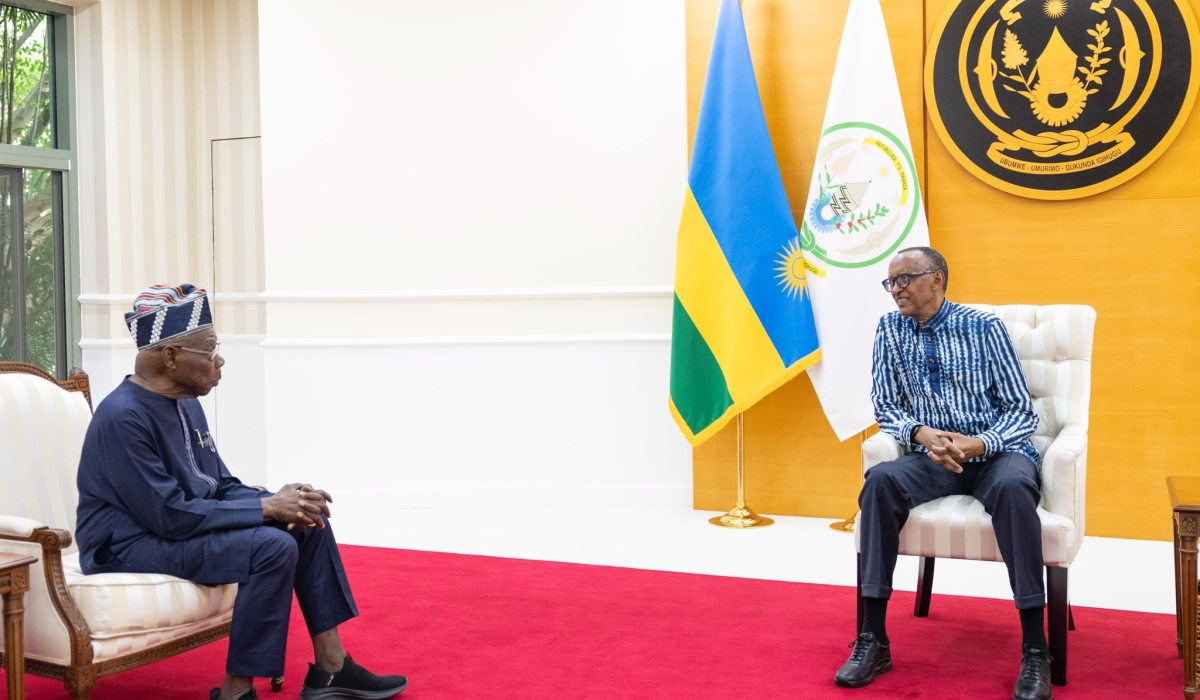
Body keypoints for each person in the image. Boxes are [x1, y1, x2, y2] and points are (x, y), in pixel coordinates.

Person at [75, 284, 408, 700]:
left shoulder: (184, 401)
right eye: (210, 350)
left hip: (169, 528)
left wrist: (285, 502)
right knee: (272, 546)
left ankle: (331, 666)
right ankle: (236, 692)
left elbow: (218, 484)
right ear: (172, 356)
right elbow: (169, 515)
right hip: (126, 545)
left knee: (307, 523)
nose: (220, 360)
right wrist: (266, 508)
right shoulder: (123, 417)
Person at [833, 248, 1052, 700]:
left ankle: (1035, 649)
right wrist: (920, 432)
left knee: (1012, 488)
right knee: (880, 482)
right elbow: (887, 405)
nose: (896, 290)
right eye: (890, 283)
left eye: (904, 280)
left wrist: (982, 443)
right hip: (932, 457)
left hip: (997, 453)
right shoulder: (890, 330)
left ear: (936, 279)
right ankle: (873, 638)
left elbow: (1020, 411)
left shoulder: (983, 327)